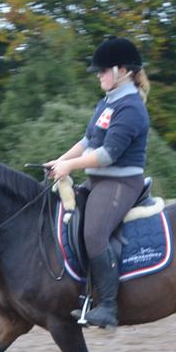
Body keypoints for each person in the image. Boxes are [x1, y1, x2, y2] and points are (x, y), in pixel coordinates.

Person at [45, 36, 151, 328]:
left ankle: (108, 306)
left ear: (123, 71)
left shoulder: (131, 107)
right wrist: (59, 160)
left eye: (103, 70)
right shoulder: (107, 102)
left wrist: (69, 166)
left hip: (121, 184)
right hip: (98, 181)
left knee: (94, 234)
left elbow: (106, 155)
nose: (99, 76)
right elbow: (88, 141)